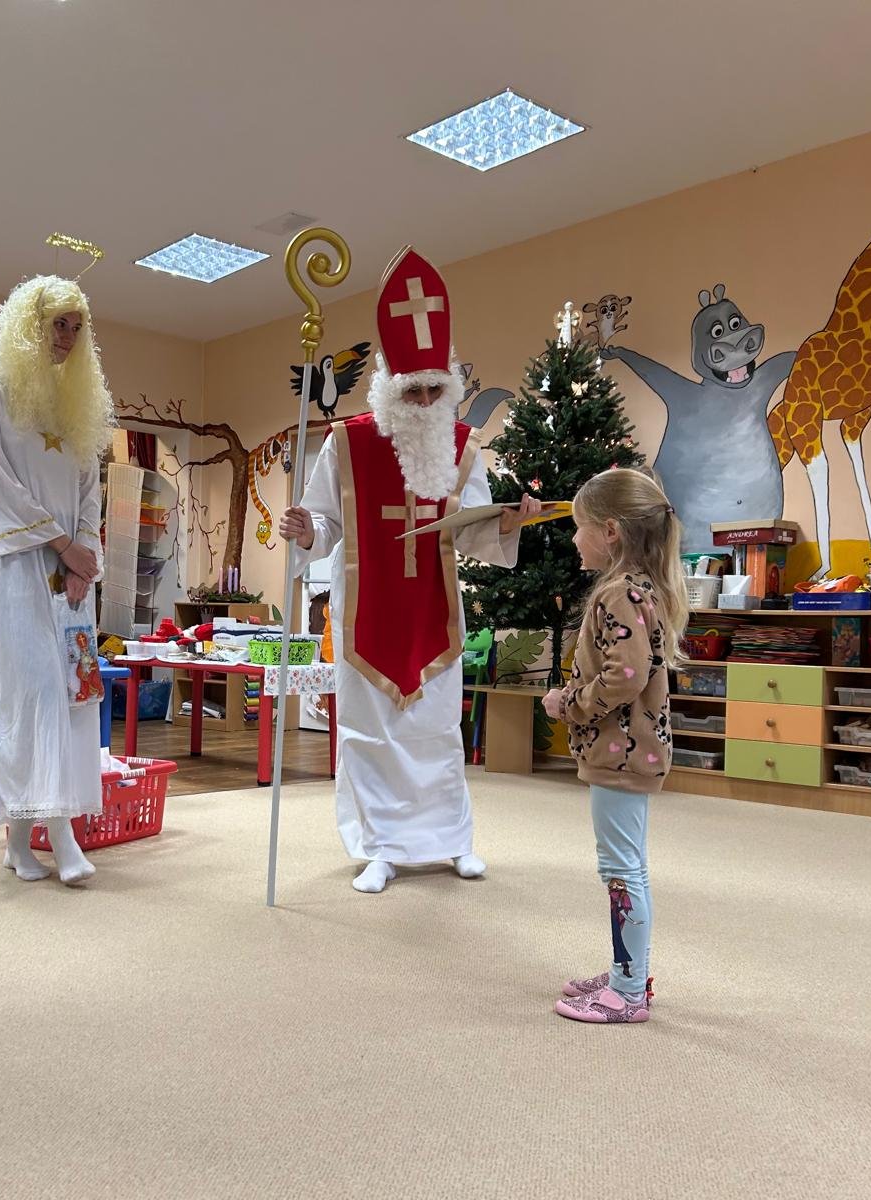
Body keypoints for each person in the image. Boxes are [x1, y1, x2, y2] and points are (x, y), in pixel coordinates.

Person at [281, 246, 544, 893]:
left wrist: (510, 521)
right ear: (389, 387)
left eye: (434, 390)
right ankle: (380, 848)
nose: (425, 401)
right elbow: (324, 523)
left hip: (433, 611)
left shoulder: (462, 447)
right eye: (412, 390)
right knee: (370, 734)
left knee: (435, 732)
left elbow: (475, 527)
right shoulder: (347, 443)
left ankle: (451, 841)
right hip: (367, 613)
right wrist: (306, 530)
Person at [0, 275, 114, 885]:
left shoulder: (74, 403)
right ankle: (59, 836)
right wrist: (62, 546)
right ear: (28, 323)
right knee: (30, 692)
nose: (67, 337)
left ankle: (18, 841)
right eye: (58, 323)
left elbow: (89, 487)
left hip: (70, 571)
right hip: (12, 560)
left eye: (77, 327)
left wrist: (84, 557)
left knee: (71, 694)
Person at [542, 468, 688, 1024]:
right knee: (630, 867)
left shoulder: (617, 593)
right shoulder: (641, 588)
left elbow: (624, 675)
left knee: (620, 871)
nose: (573, 538)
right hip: (632, 749)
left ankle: (627, 994)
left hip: (619, 751)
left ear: (609, 531)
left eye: (579, 527)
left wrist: (568, 703)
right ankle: (629, 972)